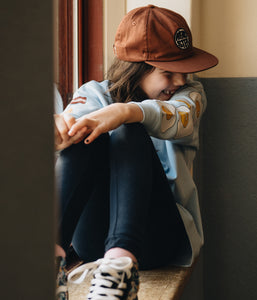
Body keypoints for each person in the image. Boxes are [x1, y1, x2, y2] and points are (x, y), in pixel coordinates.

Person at [54, 5, 218, 300]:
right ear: (136, 69)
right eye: (169, 73)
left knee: (130, 126)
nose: (180, 81)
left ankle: (121, 268)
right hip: (93, 239)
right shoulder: (93, 94)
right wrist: (60, 131)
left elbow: (178, 117)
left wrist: (125, 112)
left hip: (158, 235)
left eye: (184, 71)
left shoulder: (190, 95)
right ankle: (52, 258)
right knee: (85, 135)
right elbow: (69, 132)